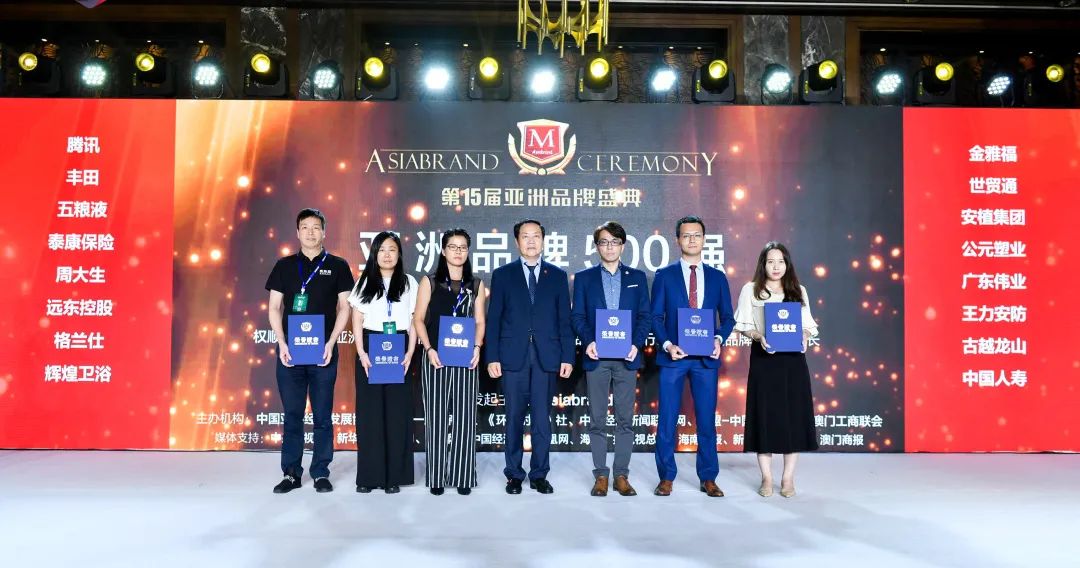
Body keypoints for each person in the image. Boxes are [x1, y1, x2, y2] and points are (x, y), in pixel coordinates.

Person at [265, 208, 354, 494]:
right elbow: (274, 307)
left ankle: (321, 472)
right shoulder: (284, 265)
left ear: (324, 232)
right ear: (297, 232)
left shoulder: (338, 266)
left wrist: (332, 342)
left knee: (322, 416)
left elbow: (345, 307)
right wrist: (282, 342)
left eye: (316, 227)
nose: (311, 232)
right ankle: (291, 473)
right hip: (291, 354)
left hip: (323, 353)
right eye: (305, 227)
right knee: (292, 414)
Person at [485, 219, 574, 495]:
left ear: (544, 240)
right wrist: (492, 356)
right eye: (525, 236)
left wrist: (568, 356)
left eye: (536, 236)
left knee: (541, 420)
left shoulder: (557, 276)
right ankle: (513, 474)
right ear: (517, 242)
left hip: (547, 357)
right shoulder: (503, 275)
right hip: (513, 357)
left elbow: (564, 320)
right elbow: (494, 319)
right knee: (513, 417)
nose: (531, 241)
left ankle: (539, 474)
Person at [650, 215, 736, 497]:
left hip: (705, 360)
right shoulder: (664, 275)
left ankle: (708, 477)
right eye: (686, 235)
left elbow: (728, 318)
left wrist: (718, 339)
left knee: (706, 420)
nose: (692, 240)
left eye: (697, 235)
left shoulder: (717, 277)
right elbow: (655, 317)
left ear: (704, 239)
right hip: (674, 358)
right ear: (677, 240)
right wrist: (667, 345)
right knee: (667, 420)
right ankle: (666, 477)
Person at [570, 221, 651, 497]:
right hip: (597, 357)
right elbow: (577, 317)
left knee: (625, 419)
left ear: (623, 246)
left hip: (627, 357)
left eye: (615, 242)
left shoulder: (637, 277)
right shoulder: (584, 278)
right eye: (604, 242)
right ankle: (601, 475)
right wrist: (589, 341)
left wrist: (636, 344)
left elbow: (645, 317)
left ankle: (621, 475)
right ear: (597, 246)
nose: (609, 247)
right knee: (597, 419)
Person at [734, 241, 819, 498]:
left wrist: (805, 335)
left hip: (793, 362)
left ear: (787, 265)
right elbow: (743, 325)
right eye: (770, 261)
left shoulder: (798, 290)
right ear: (763, 265)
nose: (776, 266)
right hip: (765, 360)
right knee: (764, 416)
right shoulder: (751, 290)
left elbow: (808, 325)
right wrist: (758, 336)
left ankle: (788, 478)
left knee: (793, 417)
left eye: (780, 262)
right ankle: (767, 477)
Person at [412, 229, 487, 496]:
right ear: (443, 251)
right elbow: (418, 319)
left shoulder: (475, 285)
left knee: (465, 417)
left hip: (466, 359)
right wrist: (429, 349)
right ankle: (436, 476)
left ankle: (463, 474)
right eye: (452, 247)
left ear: (468, 251)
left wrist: (477, 347)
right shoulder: (430, 282)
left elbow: (480, 321)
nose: (458, 251)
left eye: (462, 247)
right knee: (437, 417)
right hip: (436, 359)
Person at [348, 231, 418, 494]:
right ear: (374, 254)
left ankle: (393, 478)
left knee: (397, 414)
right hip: (371, 348)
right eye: (382, 250)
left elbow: (414, 320)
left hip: (400, 348)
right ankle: (369, 477)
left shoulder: (409, 282)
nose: (387, 255)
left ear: (399, 254)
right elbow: (356, 319)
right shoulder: (365, 281)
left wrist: (410, 352)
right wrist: (361, 352)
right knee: (370, 414)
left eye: (392, 249)